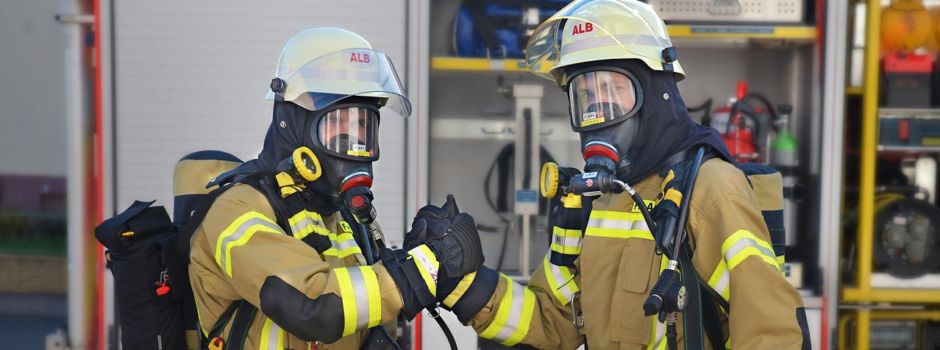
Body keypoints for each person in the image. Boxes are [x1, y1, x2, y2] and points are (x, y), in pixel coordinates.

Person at [420, 1, 812, 349]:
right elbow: (554, 322)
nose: (598, 111)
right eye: (585, 96)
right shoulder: (599, 200)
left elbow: (771, 334)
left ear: (657, 91)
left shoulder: (710, 191)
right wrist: (464, 283)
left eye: (612, 89)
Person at [188, 27, 484, 350]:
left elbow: (370, 300)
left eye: (361, 126)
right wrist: (426, 268)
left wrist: (412, 256)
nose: (352, 141)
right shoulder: (237, 210)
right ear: (295, 124)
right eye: (337, 124)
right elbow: (312, 307)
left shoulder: (348, 219)